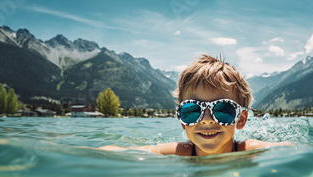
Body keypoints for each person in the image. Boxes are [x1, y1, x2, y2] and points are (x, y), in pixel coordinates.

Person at [98, 54, 290, 156]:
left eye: (223, 109)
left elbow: (292, 149)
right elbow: (123, 152)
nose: (206, 120)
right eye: (192, 110)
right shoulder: (181, 152)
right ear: (182, 121)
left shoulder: (248, 150)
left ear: (240, 120)